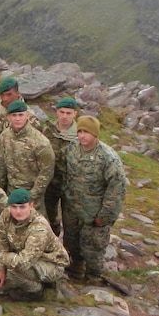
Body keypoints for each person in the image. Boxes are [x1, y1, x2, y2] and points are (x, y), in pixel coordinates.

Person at [61, 115, 127, 284]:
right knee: (71, 241)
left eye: (87, 132)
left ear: (95, 134)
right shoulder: (72, 149)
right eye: (80, 131)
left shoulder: (108, 158)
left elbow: (116, 190)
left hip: (94, 213)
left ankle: (93, 278)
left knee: (93, 248)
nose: (82, 135)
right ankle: (75, 269)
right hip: (72, 209)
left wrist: (104, 216)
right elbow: (65, 173)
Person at [0, 188, 70, 301]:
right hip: (24, 257)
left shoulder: (39, 228)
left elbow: (23, 263)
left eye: (22, 207)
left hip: (51, 263)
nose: (18, 211)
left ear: (31, 205)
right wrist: (0, 270)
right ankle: (37, 281)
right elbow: (2, 243)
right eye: (14, 207)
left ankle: (36, 291)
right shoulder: (6, 215)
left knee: (15, 270)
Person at [0, 100, 55, 204]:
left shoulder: (40, 141)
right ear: (9, 117)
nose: (17, 119)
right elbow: (2, 165)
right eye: (14, 115)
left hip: (31, 194)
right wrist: (1, 189)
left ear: (27, 115)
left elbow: (46, 172)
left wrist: (33, 196)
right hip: (11, 191)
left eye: (21, 115)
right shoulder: (4, 136)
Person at [41, 96, 79, 235]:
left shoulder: (80, 135)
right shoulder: (48, 130)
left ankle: (69, 249)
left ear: (75, 113)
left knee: (71, 223)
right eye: (62, 112)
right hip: (50, 183)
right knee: (49, 218)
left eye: (68, 113)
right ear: (56, 112)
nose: (64, 116)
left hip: (70, 185)